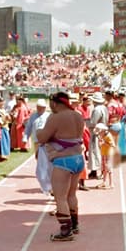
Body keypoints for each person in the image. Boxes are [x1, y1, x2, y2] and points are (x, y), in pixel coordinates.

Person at [37, 92, 86, 242]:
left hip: (63, 161)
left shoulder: (55, 117)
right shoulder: (77, 115)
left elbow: (42, 138)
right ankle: (75, 225)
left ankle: (66, 231)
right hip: (78, 158)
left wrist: (39, 131)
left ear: (54, 103)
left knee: (60, 198)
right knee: (71, 195)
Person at [27, 99, 53, 195]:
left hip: (47, 142)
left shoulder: (49, 116)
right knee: (40, 162)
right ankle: (46, 183)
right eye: (38, 107)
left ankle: (50, 185)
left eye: (42, 107)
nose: (40, 109)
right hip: (37, 141)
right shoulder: (33, 116)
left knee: (49, 163)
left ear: (45, 108)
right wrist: (25, 137)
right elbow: (29, 127)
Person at [87, 93, 108, 175]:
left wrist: (86, 122)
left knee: (95, 151)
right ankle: (100, 170)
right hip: (103, 131)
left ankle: (95, 170)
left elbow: (93, 122)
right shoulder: (104, 108)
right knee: (101, 151)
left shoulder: (97, 109)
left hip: (97, 132)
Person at [95, 123, 115, 189]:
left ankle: (111, 184)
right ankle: (104, 182)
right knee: (104, 169)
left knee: (109, 169)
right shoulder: (102, 136)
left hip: (108, 154)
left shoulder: (108, 136)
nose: (99, 134)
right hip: (104, 154)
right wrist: (100, 142)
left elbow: (112, 145)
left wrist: (104, 143)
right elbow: (100, 145)